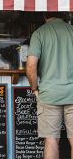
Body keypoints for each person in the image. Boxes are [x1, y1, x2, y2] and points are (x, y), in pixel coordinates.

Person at [26, 12, 73, 159]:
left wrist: (34, 88)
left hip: (49, 94)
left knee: (51, 139)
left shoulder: (39, 33)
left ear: (44, 15)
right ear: (65, 13)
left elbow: (31, 65)